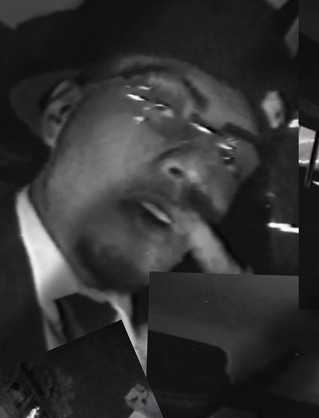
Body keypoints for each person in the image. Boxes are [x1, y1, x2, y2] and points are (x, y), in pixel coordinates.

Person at [0, 0, 295, 366]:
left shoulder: (144, 335)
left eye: (230, 159)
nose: (197, 170)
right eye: (161, 106)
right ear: (62, 114)